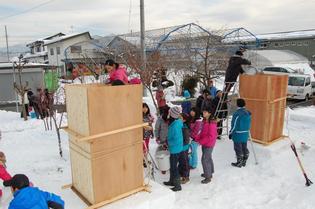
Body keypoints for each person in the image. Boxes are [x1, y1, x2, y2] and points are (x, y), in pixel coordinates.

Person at [191, 105, 217, 184]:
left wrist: (200, 142)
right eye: (203, 111)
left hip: (209, 144)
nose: (203, 113)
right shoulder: (205, 121)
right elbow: (201, 131)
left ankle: (208, 177)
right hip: (205, 143)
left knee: (205, 159)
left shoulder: (212, 123)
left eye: (205, 112)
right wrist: (197, 138)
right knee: (208, 157)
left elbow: (211, 136)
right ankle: (210, 172)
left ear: (209, 113)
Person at [163, 106, 183, 192]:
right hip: (175, 148)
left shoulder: (175, 125)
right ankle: (172, 181)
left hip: (175, 149)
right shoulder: (176, 122)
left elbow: (176, 139)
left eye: (169, 112)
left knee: (174, 167)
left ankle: (177, 185)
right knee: (172, 166)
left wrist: (168, 143)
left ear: (172, 114)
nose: (168, 114)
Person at [229, 98, 252, 167]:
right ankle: (244, 159)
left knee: (238, 148)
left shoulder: (237, 114)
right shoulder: (247, 112)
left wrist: (231, 133)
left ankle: (239, 162)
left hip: (238, 134)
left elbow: (234, 125)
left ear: (237, 104)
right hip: (245, 133)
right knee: (244, 146)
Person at [178, 113, 191, 184]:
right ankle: (181, 174)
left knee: (185, 162)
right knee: (181, 161)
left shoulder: (185, 128)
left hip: (184, 148)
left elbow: (186, 141)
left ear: (184, 120)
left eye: (180, 118)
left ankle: (186, 176)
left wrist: (180, 145)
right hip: (179, 147)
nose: (178, 118)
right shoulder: (179, 126)